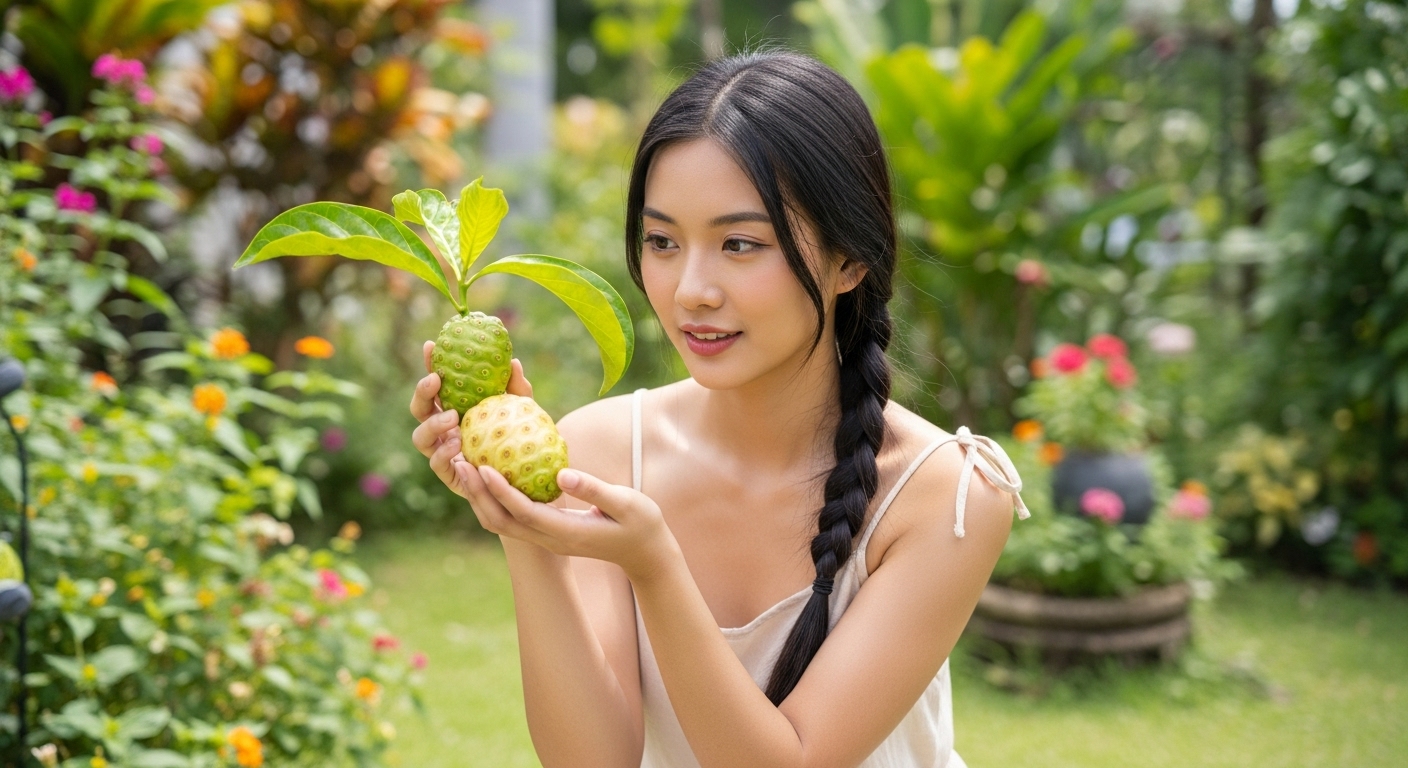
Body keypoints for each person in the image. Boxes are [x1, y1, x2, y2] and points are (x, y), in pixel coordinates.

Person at [409, 51, 1029, 768]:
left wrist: (655, 566)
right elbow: (593, 760)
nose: (690, 289)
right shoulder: (602, 452)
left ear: (849, 261)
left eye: (740, 243)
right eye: (662, 241)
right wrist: (520, 521)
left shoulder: (946, 494)